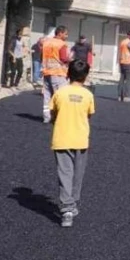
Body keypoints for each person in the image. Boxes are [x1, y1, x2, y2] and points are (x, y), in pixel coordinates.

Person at [49, 59, 95, 228]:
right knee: (78, 174)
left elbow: (53, 113)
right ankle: (72, 203)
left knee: (65, 173)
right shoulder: (88, 95)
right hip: (81, 140)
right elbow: (89, 115)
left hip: (61, 139)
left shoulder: (60, 93)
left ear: (68, 73)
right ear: (85, 76)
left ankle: (67, 209)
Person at [40, 27, 71, 124]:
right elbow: (63, 59)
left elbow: (43, 56)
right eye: (65, 34)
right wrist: (71, 60)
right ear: (60, 33)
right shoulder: (62, 44)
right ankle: (58, 117)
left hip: (47, 72)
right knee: (60, 96)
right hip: (58, 73)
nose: (67, 36)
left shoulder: (46, 42)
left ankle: (47, 117)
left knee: (47, 96)